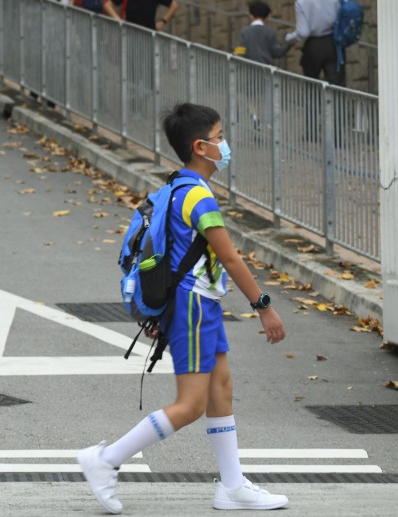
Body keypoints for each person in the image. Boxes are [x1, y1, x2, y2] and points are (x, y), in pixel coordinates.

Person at [77, 102, 288, 514]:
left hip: (198, 303)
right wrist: (263, 306)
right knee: (190, 404)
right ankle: (104, 461)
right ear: (200, 147)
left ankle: (232, 487)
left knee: (221, 388)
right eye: (219, 137)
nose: (225, 145)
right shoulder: (197, 196)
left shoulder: (177, 186)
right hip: (193, 306)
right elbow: (230, 258)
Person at [284, 0, 344, 140]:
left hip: (314, 46)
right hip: (333, 44)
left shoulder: (302, 1)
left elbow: (303, 32)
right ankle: (338, 135)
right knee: (337, 89)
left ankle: (311, 133)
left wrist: (290, 38)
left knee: (312, 88)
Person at [234, 0, 291, 130]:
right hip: (267, 71)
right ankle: (267, 123)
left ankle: (255, 118)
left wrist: (236, 58)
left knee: (250, 97)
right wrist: (289, 45)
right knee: (267, 97)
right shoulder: (270, 32)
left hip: (250, 70)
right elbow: (277, 52)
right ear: (266, 16)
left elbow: (240, 52)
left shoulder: (245, 32)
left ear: (251, 15)